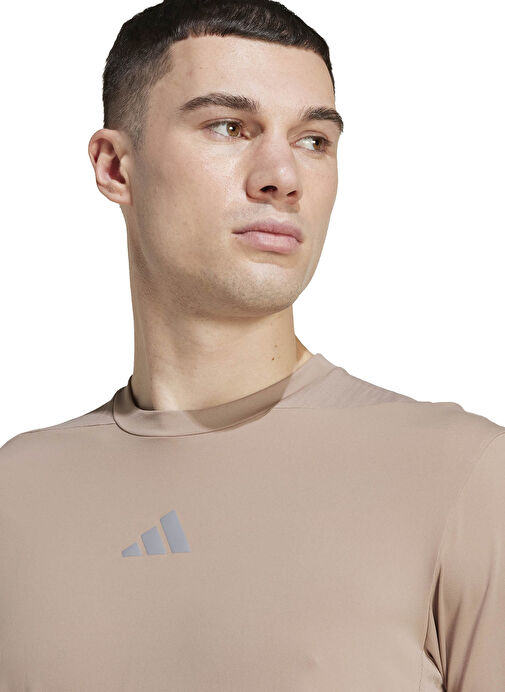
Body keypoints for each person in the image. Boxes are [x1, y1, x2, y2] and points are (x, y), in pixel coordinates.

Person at [1, 0, 504, 689]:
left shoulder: (463, 476)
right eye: (228, 127)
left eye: (313, 141)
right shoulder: (17, 493)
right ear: (115, 167)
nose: (282, 177)